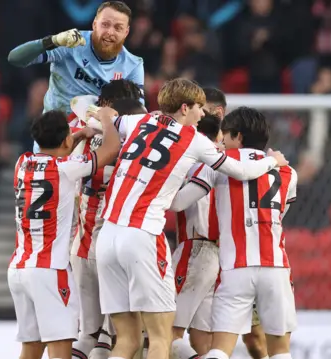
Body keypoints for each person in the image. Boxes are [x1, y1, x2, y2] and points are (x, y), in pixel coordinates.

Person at [90, 78, 288, 359]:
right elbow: (241, 170)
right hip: (142, 234)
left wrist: (99, 119)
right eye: (198, 109)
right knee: (161, 338)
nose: (202, 115)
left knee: (127, 341)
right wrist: (272, 161)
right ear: (185, 108)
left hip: (107, 235)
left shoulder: (139, 122)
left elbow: (105, 119)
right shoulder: (194, 140)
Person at [170, 107, 297, 359]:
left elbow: (178, 203)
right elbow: (278, 216)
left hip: (235, 269)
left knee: (219, 350)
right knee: (280, 352)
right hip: (276, 269)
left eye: (225, 135)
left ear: (238, 136)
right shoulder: (288, 173)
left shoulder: (218, 164)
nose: (222, 141)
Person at [8, 108, 120, 359]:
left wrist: (79, 134)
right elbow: (111, 148)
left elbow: (58, 150)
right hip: (50, 270)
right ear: (66, 140)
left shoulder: (22, 162)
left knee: (31, 347)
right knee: (60, 348)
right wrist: (105, 118)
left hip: (19, 269)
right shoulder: (67, 168)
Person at [69, 83, 144, 359]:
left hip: (82, 244)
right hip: (114, 247)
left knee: (87, 334)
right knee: (120, 336)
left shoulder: (81, 131)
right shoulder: (139, 138)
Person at [7, 1, 144, 152]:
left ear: (126, 32)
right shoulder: (72, 43)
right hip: (53, 140)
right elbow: (15, 59)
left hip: (95, 147)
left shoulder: (133, 65)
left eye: (118, 28)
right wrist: (52, 41)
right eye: (105, 25)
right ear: (94, 24)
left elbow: (136, 116)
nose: (110, 32)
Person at [170, 112, 223, 357]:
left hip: (195, 248)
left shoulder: (191, 159)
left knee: (166, 332)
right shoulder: (226, 161)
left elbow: (177, 203)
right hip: (219, 256)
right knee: (204, 341)